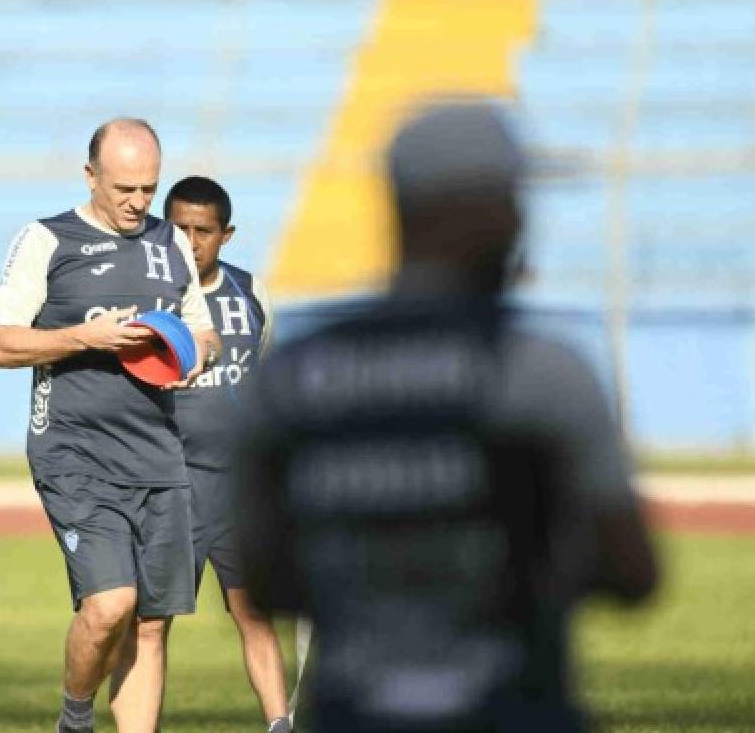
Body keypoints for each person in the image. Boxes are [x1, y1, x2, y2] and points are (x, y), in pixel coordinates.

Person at [235, 99, 660, 732]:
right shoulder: (543, 371)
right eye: (509, 199)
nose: (522, 217)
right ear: (479, 213)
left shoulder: (295, 374)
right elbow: (634, 573)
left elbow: (265, 581)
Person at [0, 118, 220, 733]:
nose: (139, 203)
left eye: (149, 188)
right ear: (90, 176)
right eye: (124, 190)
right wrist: (82, 337)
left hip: (159, 454)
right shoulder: (46, 241)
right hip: (75, 453)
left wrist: (193, 354)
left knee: (149, 621)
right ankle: (75, 718)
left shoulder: (170, 243)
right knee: (111, 602)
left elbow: (202, 328)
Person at [163, 176, 293, 733]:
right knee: (152, 622)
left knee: (254, 614)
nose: (190, 241)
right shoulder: (148, 299)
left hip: (238, 491)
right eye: (179, 229)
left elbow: (265, 379)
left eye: (203, 231)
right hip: (170, 485)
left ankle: (279, 723)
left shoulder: (250, 293)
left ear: (226, 234)